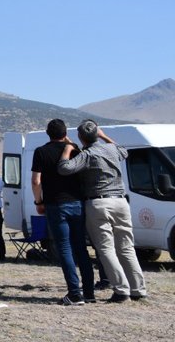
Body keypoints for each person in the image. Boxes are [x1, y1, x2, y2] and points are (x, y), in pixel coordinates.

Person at [58, 121, 148, 302]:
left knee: (106, 248)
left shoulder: (88, 154)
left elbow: (64, 169)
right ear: (97, 135)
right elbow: (124, 151)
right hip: (121, 202)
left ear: (82, 138)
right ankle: (138, 289)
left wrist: (68, 150)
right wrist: (104, 136)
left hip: (99, 203)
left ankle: (121, 290)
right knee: (126, 247)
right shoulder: (112, 150)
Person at [32, 118, 94, 305]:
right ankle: (89, 292)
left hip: (55, 204)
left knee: (65, 249)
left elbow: (36, 181)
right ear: (65, 133)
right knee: (81, 248)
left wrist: (38, 201)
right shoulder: (75, 150)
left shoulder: (41, 152)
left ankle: (75, 293)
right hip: (76, 202)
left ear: (48, 133)